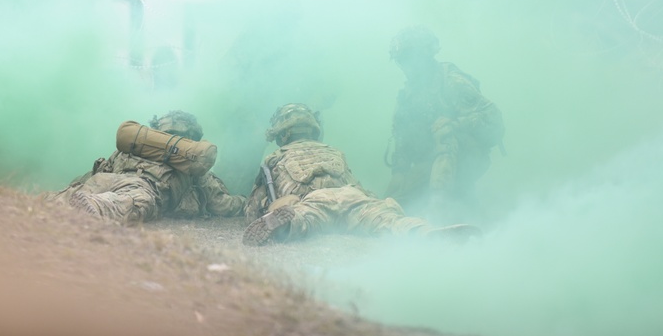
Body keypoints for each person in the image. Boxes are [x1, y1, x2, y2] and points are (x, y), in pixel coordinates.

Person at [242, 103, 475, 246]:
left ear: (281, 135)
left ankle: (286, 224)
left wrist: (261, 210)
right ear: (315, 129)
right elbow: (355, 185)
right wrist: (373, 202)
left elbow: (252, 208)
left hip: (312, 202)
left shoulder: (274, 158)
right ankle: (423, 233)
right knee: (386, 219)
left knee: (304, 220)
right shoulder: (334, 152)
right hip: (349, 196)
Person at [385, 25, 505, 214]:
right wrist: (398, 177)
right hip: (431, 163)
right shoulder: (408, 95)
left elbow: (494, 119)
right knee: (393, 201)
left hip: (467, 158)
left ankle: (439, 207)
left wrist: (455, 124)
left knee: (445, 130)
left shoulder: (451, 81)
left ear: (423, 55)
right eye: (402, 61)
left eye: (409, 59)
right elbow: (402, 138)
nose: (405, 67)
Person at [53, 110, 245, 224]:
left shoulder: (137, 145)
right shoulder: (189, 163)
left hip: (106, 180)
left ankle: (51, 204)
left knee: (73, 194)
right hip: (143, 188)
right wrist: (243, 202)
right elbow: (220, 204)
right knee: (134, 202)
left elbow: (97, 172)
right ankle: (95, 207)